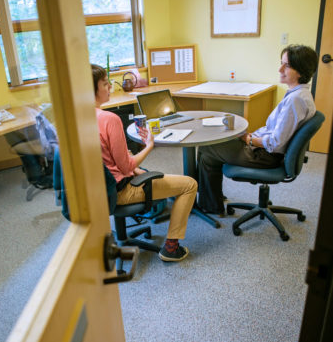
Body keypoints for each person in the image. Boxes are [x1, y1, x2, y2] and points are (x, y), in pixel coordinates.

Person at [197, 44, 318, 216]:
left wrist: (249, 140)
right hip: (267, 151)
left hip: (266, 156)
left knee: (207, 148)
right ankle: (210, 196)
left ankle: (209, 204)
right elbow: (275, 130)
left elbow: (275, 142)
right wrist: (251, 135)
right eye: (281, 63)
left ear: (301, 70)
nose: (280, 68)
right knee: (220, 142)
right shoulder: (300, 94)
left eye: (287, 65)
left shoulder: (295, 101)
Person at [93, 64, 197, 262]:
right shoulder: (109, 119)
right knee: (189, 185)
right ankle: (171, 249)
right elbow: (126, 167)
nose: (110, 88)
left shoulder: (76, 119)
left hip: (97, 192)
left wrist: (134, 166)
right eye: (105, 84)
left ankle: (122, 235)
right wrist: (149, 145)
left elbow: (108, 161)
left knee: (143, 170)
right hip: (120, 192)